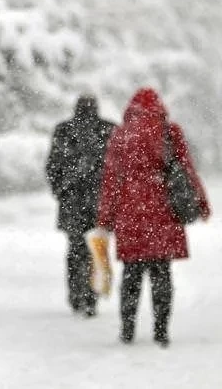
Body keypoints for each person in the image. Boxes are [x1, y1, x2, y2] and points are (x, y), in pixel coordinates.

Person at [97, 87, 211, 347]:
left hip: (130, 214)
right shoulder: (170, 133)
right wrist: (201, 203)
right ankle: (161, 330)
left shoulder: (121, 135)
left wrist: (105, 218)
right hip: (163, 213)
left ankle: (127, 329)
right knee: (161, 272)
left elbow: (111, 180)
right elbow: (187, 170)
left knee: (131, 274)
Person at [46, 94, 115, 317]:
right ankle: (91, 296)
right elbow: (118, 169)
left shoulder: (64, 130)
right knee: (96, 248)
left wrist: (61, 191)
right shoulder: (109, 130)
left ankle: (76, 295)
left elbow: (53, 166)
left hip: (72, 201)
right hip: (100, 202)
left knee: (75, 249)